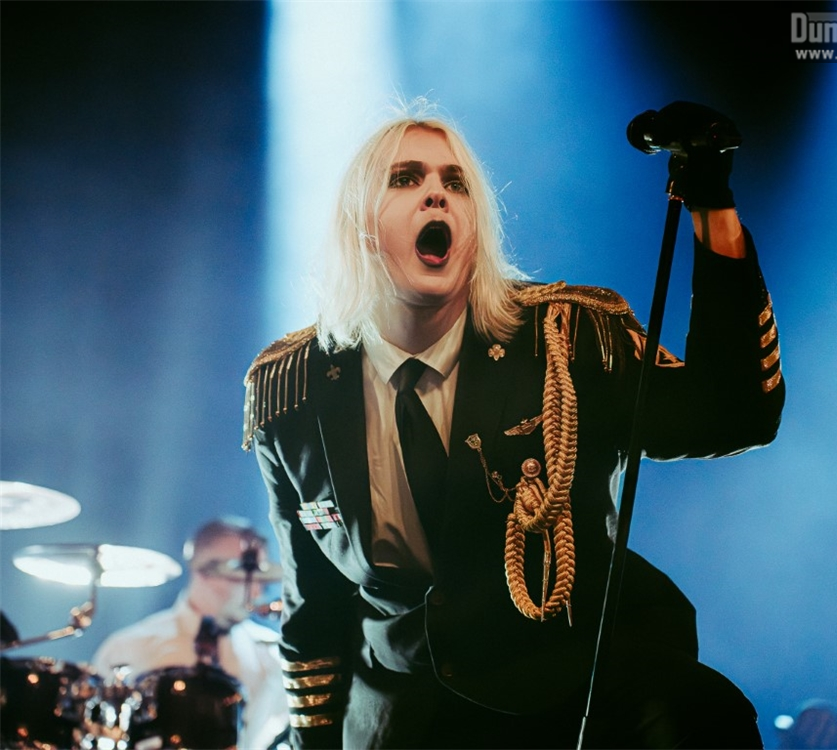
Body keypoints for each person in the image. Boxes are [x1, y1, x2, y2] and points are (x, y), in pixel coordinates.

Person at [244, 99, 785, 749]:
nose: (437, 196)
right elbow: (314, 610)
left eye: (456, 184)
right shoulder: (293, 393)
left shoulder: (568, 339)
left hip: (572, 694)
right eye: (405, 178)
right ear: (358, 223)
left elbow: (734, 414)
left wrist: (711, 202)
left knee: (704, 715)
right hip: (403, 717)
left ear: (476, 227)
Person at [91, 516, 290, 750]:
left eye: (261, 577)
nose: (257, 590)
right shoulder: (127, 647)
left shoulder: (274, 654)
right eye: (243, 573)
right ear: (202, 570)